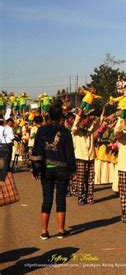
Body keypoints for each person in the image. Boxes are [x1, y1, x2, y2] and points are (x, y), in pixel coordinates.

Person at [32, 102, 76, 239]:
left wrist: (35, 169)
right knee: (61, 198)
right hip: (62, 168)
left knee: (47, 199)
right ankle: (61, 230)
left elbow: (36, 151)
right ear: (61, 116)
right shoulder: (65, 131)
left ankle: (44, 231)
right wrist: (73, 170)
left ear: (49, 115)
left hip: (46, 168)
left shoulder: (41, 131)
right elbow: (70, 153)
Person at [71, 110, 98, 205]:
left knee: (90, 179)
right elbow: (74, 125)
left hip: (90, 157)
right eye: (86, 118)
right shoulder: (76, 130)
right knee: (81, 179)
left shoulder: (90, 130)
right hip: (80, 157)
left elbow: (97, 129)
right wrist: (78, 116)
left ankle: (90, 197)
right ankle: (81, 197)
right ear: (82, 120)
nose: (89, 120)